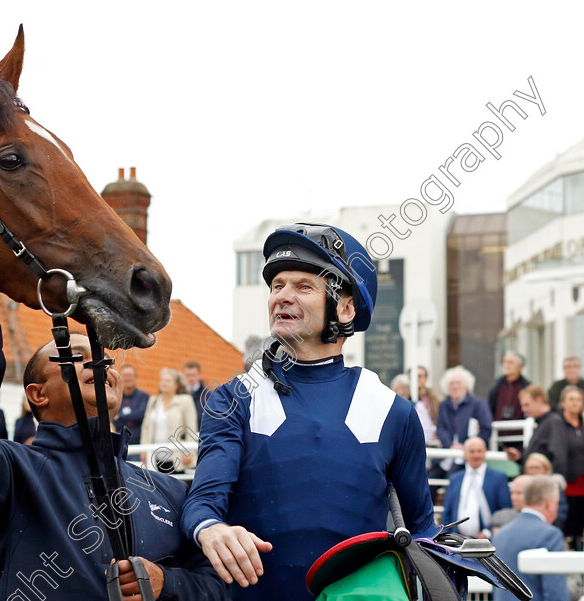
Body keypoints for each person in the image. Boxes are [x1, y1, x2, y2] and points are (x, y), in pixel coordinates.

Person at [0, 237, 228, 601]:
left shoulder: (168, 490)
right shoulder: (11, 474)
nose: (96, 363)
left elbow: (219, 587)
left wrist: (168, 583)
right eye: (73, 355)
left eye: (103, 358)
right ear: (37, 395)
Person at [180, 223, 437, 600]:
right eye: (277, 285)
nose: (282, 297)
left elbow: (423, 532)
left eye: (303, 287)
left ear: (346, 308)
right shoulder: (233, 399)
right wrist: (209, 529)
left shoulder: (393, 411)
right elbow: (202, 503)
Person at [492, 475, 569, 601]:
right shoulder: (550, 535)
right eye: (557, 503)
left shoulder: (500, 535)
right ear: (549, 503)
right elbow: (555, 591)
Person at [547, 385, 584, 551]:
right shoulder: (559, 426)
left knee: (581, 526)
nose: (575, 403)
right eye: (571, 399)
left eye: (578, 400)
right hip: (569, 483)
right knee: (568, 525)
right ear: (563, 402)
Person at [441, 437, 511, 538]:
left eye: (479, 451)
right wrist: (451, 535)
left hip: (488, 540)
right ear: (465, 454)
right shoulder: (455, 479)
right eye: (472, 451)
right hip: (457, 540)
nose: (476, 455)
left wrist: (488, 532)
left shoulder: (498, 478)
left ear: (485, 452)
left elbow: (505, 510)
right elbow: (447, 511)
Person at [434, 366, 493, 476]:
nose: (455, 386)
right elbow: (441, 428)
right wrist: (450, 445)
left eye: (458, 383)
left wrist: (468, 445)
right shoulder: (444, 405)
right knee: (429, 478)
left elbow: (486, 428)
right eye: (451, 384)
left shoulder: (478, 404)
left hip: (468, 455)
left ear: (466, 386)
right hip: (447, 453)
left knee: (453, 477)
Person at [140, 368, 198, 473]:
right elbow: (146, 427)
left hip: (176, 457)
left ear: (176, 385)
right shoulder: (153, 401)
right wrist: (143, 449)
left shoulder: (185, 401)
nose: (164, 383)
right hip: (155, 457)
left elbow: (191, 428)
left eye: (168, 381)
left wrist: (189, 452)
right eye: (162, 380)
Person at [505, 384, 558, 464]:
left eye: (526, 404)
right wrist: (520, 457)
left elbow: (557, 457)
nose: (523, 409)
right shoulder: (542, 423)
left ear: (539, 400)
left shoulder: (553, 422)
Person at [488, 351, 530, 427]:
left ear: (520, 367)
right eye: (504, 362)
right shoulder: (496, 386)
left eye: (510, 363)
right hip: (498, 431)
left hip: (520, 432)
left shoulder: (526, 387)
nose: (506, 365)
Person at [112, 364, 150, 445]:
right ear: (120, 378)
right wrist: (132, 419)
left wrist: (120, 418)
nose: (127, 378)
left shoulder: (144, 397)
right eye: (125, 375)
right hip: (119, 444)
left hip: (139, 445)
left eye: (130, 375)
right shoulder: (115, 397)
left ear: (135, 377)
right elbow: (113, 420)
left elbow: (142, 415)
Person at [412, 366, 441, 446]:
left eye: (420, 376)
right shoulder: (406, 397)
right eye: (413, 376)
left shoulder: (434, 399)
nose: (417, 379)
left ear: (426, 378)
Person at [183, 360, 208, 428]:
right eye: (188, 375)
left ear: (199, 375)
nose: (190, 378)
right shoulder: (179, 394)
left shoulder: (207, 396)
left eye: (193, 375)